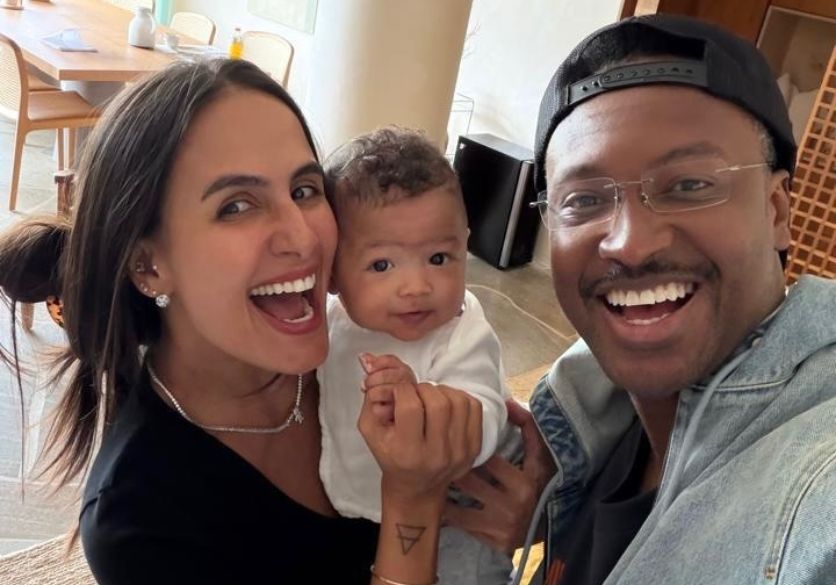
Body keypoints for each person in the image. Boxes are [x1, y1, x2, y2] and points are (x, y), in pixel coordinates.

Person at [0, 59, 484, 585]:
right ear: (148, 265)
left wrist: (522, 507)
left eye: (304, 190)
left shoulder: (372, 335)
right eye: (236, 206)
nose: (304, 237)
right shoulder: (140, 520)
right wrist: (414, 503)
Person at [447, 14, 836, 585]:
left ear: (777, 211)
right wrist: (554, 520)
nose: (629, 244)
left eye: (689, 186)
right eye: (584, 199)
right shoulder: (586, 418)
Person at [318, 126, 523, 584]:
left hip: (458, 513)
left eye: (438, 258)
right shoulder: (334, 322)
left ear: (464, 246)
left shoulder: (461, 331)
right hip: (362, 505)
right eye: (382, 265)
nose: (416, 287)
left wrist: (424, 403)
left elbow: (487, 416)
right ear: (331, 272)